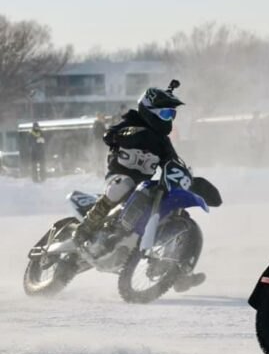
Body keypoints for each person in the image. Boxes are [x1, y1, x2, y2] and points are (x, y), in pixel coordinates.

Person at [72, 81, 205, 292]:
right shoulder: (132, 122)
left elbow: (173, 161)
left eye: (172, 115)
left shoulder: (162, 141)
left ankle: (178, 273)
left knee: (178, 214)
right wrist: (127, 134)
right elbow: (110, 135)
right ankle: (85, 228)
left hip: (144, 186)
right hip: (119, 177)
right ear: (150, 110)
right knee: (123, 185)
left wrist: (184, 175)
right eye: (166, 114)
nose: (169, 119)